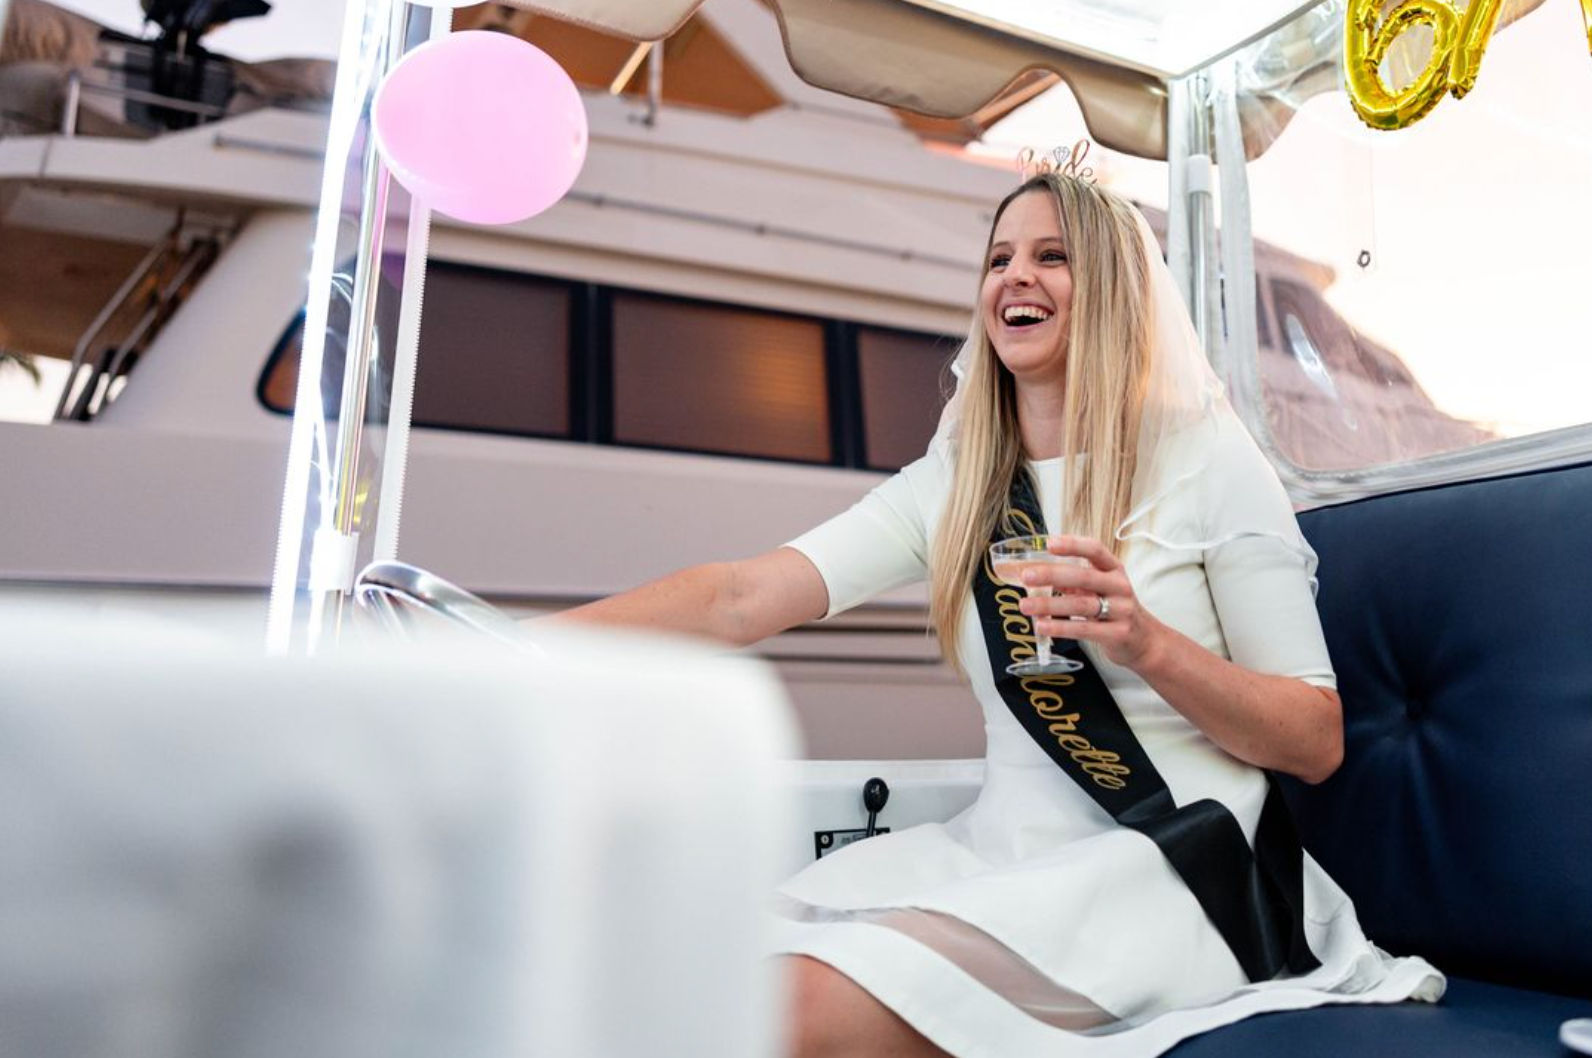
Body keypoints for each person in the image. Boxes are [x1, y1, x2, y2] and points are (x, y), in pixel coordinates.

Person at [557, 170, 1442, 1057]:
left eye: (1052, 257)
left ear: (1112, 289)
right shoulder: (959, 483)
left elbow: (1315, 738)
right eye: (999, 259)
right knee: (672, 967)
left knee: (792, 1009)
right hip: (1000, 853)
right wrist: (491, 644)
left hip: (1186, 869)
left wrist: (1147, 644)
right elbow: (739, 597)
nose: (1016, 277)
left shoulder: (1207, 460)